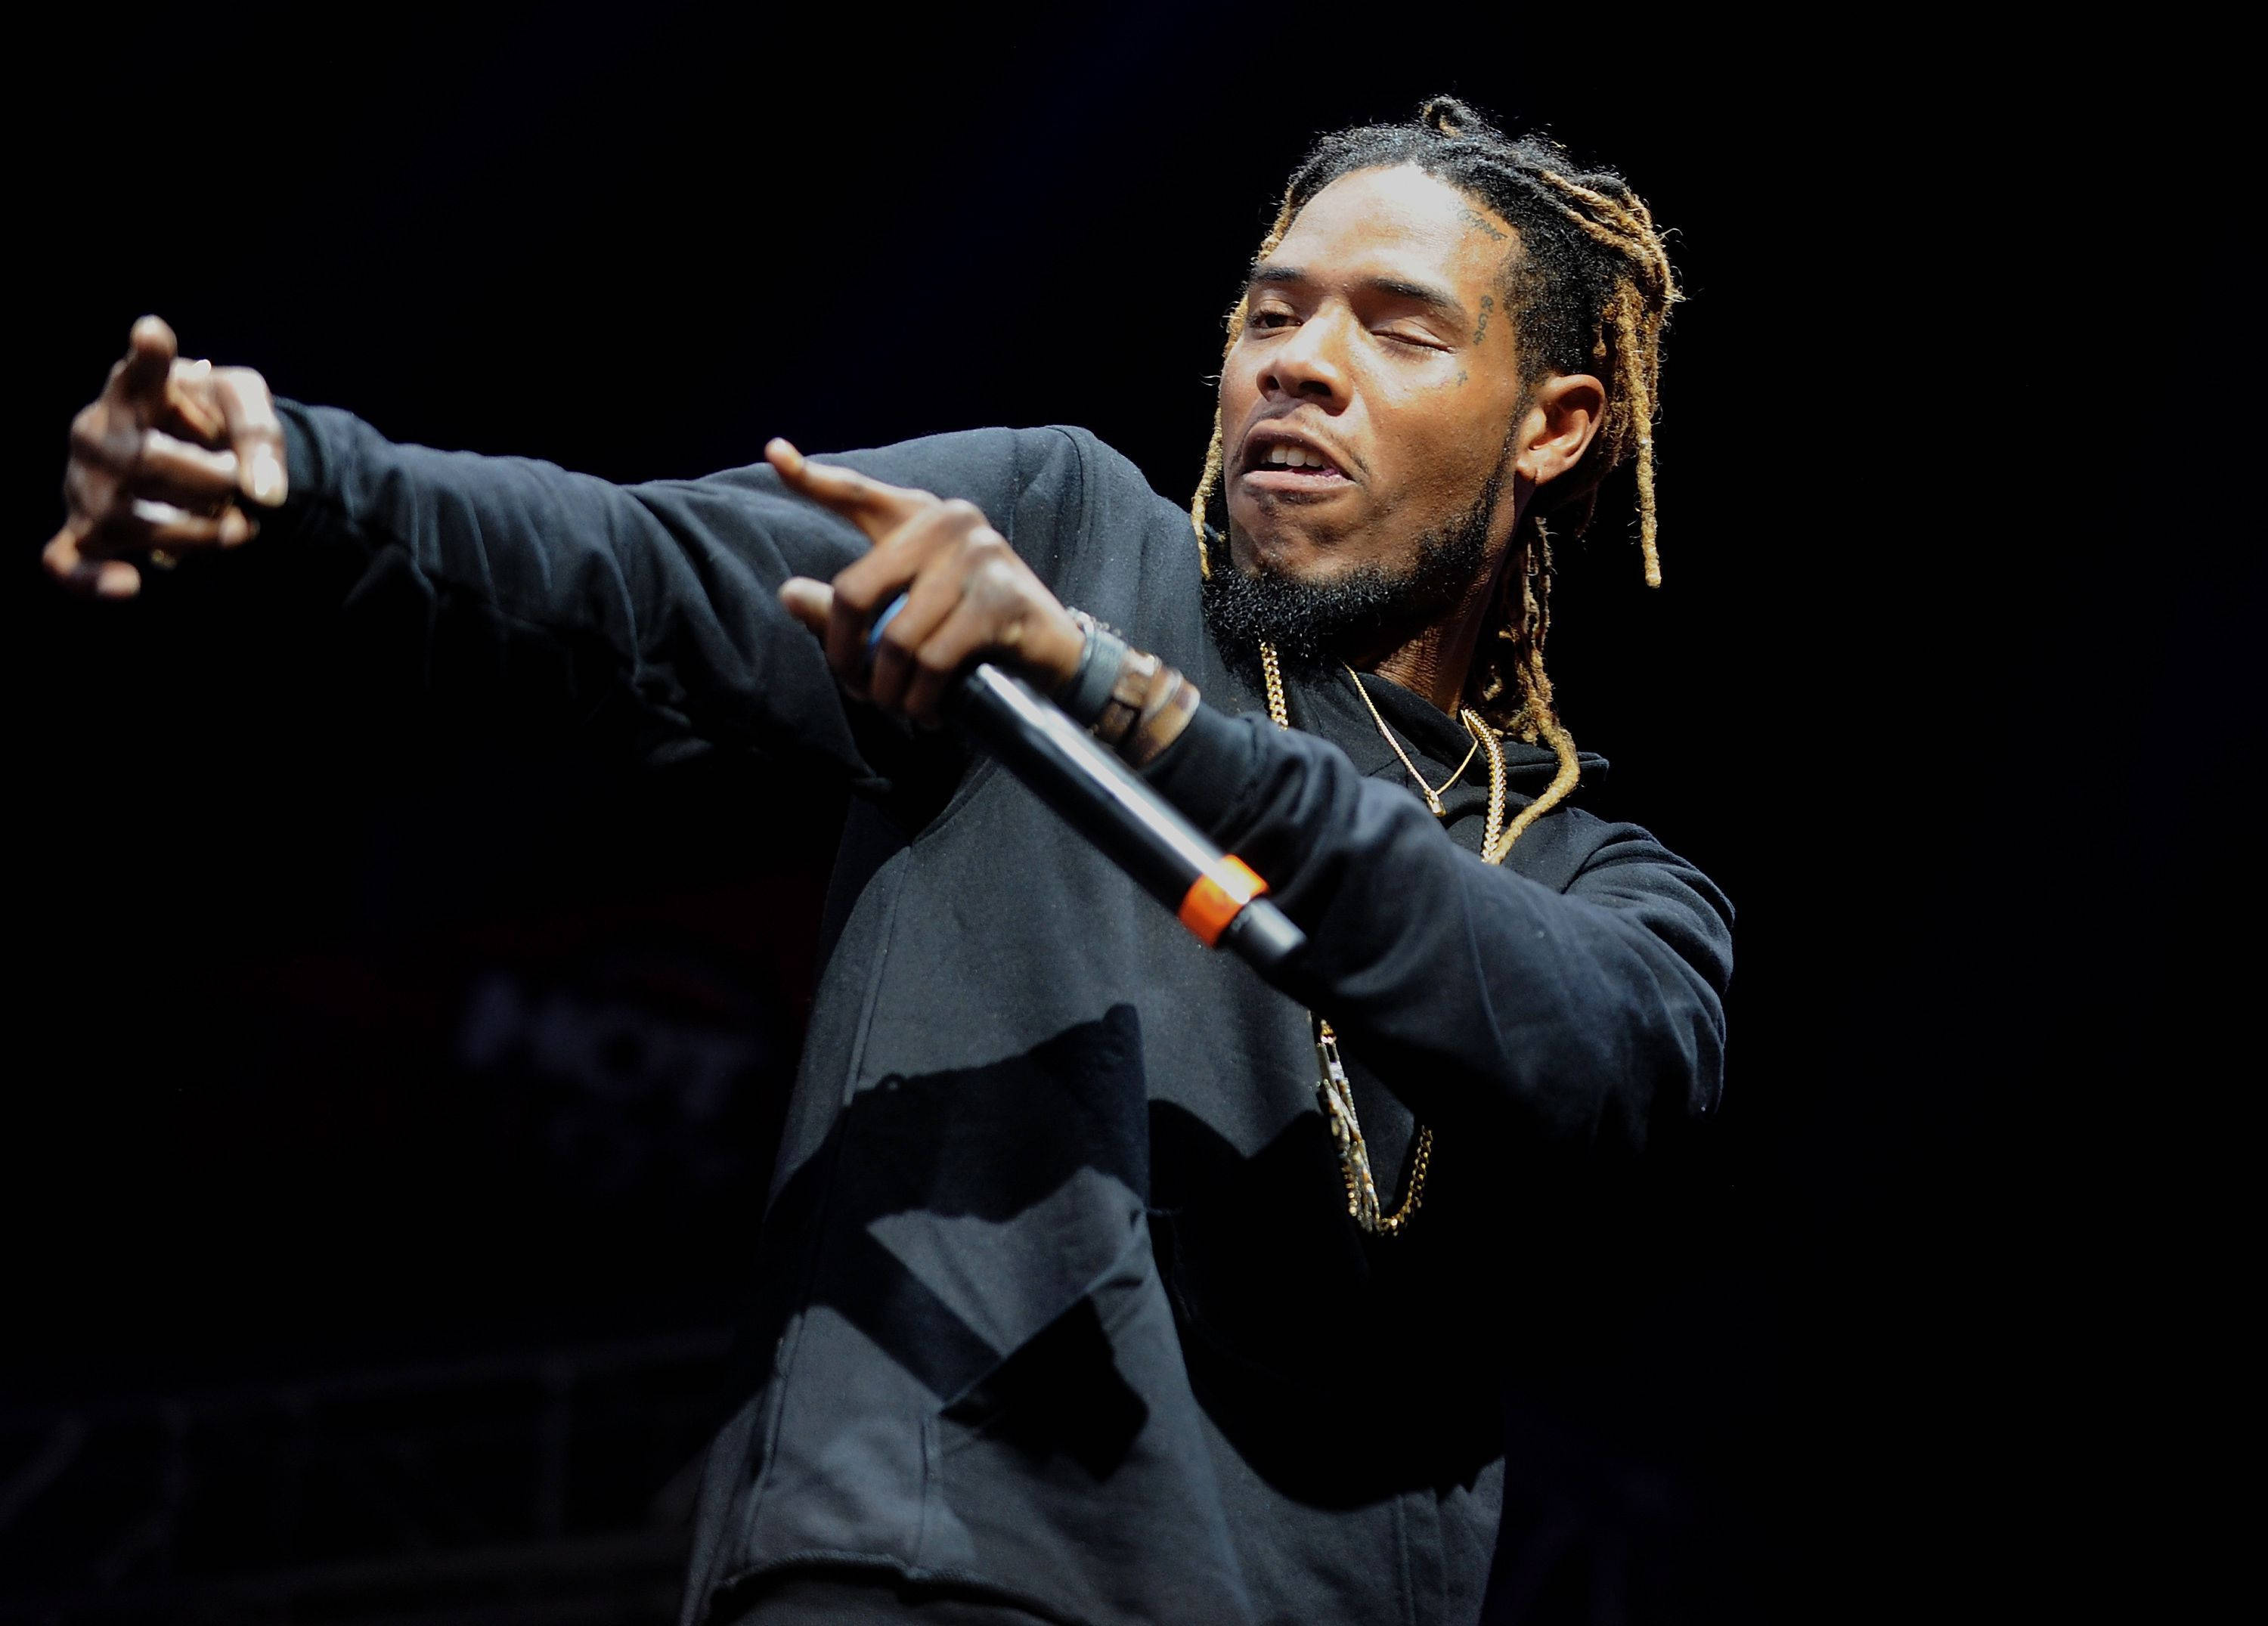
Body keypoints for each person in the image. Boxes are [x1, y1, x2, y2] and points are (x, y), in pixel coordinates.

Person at [42, 99, 1731, 1625]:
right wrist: (309, 476)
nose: (1299, 362)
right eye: (1272, 313)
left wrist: (1112, 701)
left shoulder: (1599, 875)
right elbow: (646, 577)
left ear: (1556, 425)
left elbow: (1594, 1049)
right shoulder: (1063, 546)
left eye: (1398, 327)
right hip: (925, 1565)